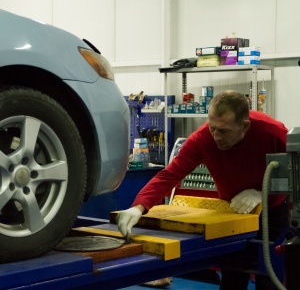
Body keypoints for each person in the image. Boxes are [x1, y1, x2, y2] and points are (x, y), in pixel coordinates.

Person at [116, 90, 290, 290]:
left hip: (272, 211)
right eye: (212, 127)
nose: (216, 136)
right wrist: (138, 207)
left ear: (245, 125)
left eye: (223, 130)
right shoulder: (203, 139)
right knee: (232, 274)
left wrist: (263, 193)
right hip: (232, 212)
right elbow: (169, 174)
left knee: (269, 277)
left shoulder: (273, 133)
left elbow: (296, 173)